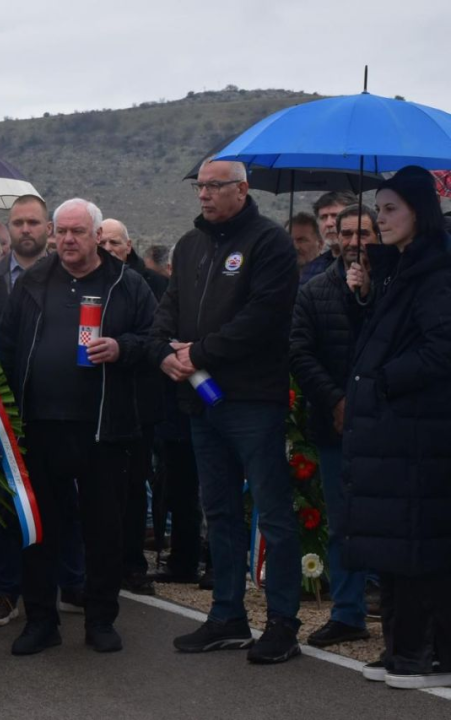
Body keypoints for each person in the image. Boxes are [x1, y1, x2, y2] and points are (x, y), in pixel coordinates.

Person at [152, 160, 302, 664]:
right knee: (217, 510)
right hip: (200, 400)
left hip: (252, 400)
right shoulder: (191, 245)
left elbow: (264, 317)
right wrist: (166, 354)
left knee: (272, 512)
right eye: (199, 187)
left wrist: (200, 352)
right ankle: (228, 616)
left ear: (241, 189)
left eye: (214, 187)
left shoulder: (269, 242)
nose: (203, 195)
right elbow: (167, 310)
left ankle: (282, 622)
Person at [1, 198, 156, 657]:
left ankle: (100, 620)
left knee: (103, 530)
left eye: (77, 232)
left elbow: (154, 339)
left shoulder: (127, 283)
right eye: (61, 232)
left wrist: (123, 348)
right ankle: (40, 622)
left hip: (104, 428)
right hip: (39, 426)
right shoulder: (32, 281)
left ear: (95, 235)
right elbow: (8, 345)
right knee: (39, 529)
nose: (67, 240)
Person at [342, 167, 451, 689]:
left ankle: (423, 655)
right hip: (395, 432)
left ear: (418, 211)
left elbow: (440, 348)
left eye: (390, 210)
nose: (378, 220)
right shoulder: (398, 268)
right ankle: (402, 650)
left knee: (418, 546)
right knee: (396, 546)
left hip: (417, 431)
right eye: (377, 208)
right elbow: (383, 336)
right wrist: (363, 291)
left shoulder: (436, 270)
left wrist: (384, 382)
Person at [290, 204, 379, 648]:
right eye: (345, 233)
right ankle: (348, 612)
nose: (353, 242)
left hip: (386, 425)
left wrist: (367, 296)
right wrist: (337, 400)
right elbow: (301, 352)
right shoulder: (314, 291)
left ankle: (401, 612)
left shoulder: (394, 289)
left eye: (363, 232)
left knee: (388, 520)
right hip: (334, 425)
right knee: (342, 520)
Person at [0, 194, 55, 627]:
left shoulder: (67, 276)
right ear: (9, 229)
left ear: (48, 229)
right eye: (18, 222)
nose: (25, 229)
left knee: (59, 500)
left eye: (33, 222)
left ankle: (68, 582)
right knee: (4, 502)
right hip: (3, 405)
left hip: (54, 404)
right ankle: (5, 591)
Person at [101, 217, 166, 595]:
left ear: (129, 246)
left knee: (134, 484)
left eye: (115, 243)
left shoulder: (152, 285)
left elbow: (157, 336)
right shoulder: (92, 284)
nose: (108, 250)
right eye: (103, 243)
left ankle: (132, 562)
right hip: (101, 402)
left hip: (140, 402)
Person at [101, 218, 168, 298]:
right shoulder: (84, 278)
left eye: (114, 243)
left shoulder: (155, 283)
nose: (107, 248)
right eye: (101, 244)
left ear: (128, 246)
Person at [314, 191, 357, 259]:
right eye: (323, 217)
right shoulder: (314, 268)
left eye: (335, 216)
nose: (328, 223)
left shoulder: (369, 264)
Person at [290, 212, 331, 285]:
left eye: (301, 240)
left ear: (320, 244)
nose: (295, 246)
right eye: (289, 240)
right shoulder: (277, 275)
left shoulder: (330, 276)